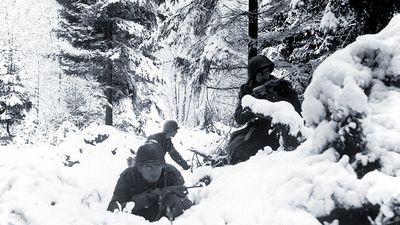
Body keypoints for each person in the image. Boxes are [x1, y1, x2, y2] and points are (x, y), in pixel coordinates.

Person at [227, 55, 302, 164]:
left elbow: (296, 108)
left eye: (267, 72)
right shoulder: (247, 89)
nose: (265, 76)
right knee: (236, 149)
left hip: (280, 128)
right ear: (253, 75)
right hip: (258, 130)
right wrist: (254, 103)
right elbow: (239, 118)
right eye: (261, 73)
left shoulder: (282, 85)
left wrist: (273, 97)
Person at [107, 143, 192, 222]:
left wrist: (175, 202)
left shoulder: (171, 173)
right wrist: (140, 202)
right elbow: (113, 209)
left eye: (158, 166)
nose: (155, 171)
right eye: (150, 167)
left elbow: (189, 204)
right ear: (140, 167)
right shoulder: (128, 177)